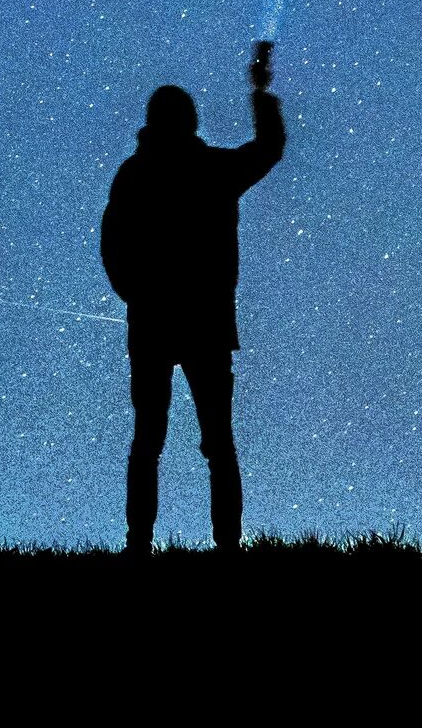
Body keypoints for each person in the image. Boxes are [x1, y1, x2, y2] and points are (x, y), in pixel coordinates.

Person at [98, 40, 285, 553]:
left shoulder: (137, 174)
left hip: (156, 322)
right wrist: (260, 94)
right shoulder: (209, 172)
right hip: (201, 322)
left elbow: (112, 243)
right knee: (214, 446)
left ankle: (141, 547)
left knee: (151, 442)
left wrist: (136, 295)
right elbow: (268, 149)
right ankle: (226, 548)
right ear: (188, 121)